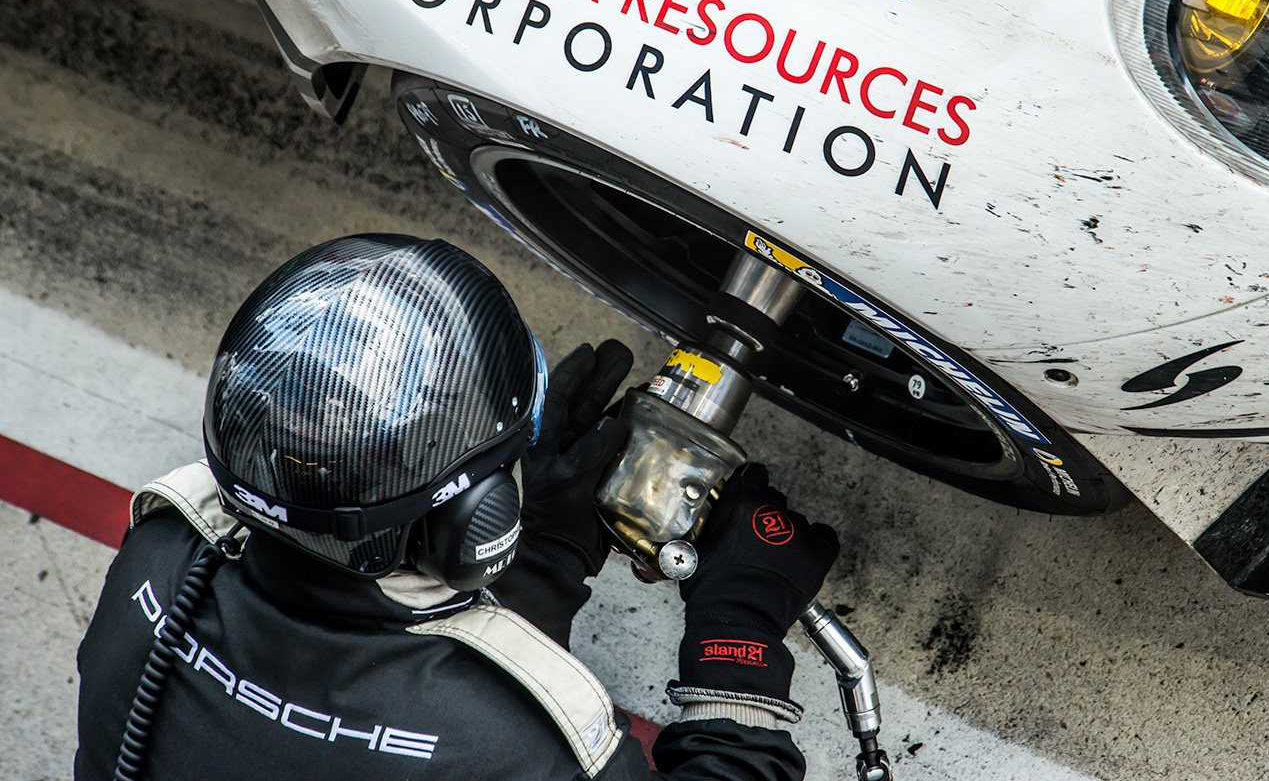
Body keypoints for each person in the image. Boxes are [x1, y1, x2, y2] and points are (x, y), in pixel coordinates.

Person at [74, 234, 840, 780]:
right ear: (474, 525)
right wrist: (736, 635)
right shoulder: (518, 746)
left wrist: (541, 560)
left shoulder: (160, 557)